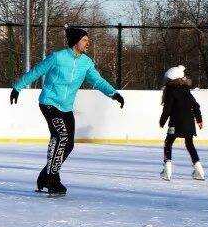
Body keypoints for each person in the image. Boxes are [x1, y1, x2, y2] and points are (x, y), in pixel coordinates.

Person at [10, 27, 125, 195]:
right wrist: (17, 87)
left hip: (66, 107)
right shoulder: (57, 57)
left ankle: (45, 175)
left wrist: (113, 93)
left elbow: (98, 81)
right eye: (85, 40)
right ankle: (52, 178)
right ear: (76, 41)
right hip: (49, 103)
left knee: (68, 144)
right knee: (60, 136)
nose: (88, 43)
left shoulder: (86, 63)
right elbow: (37, 71)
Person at [159, 65, 205, 181]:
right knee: (189, 144)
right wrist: (199, 120)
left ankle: (167, 169)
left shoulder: (170, 91)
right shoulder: (186, 91)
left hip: (175, 123)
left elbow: (167, 109)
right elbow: (195, 106)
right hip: (189, 124)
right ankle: (199, 170)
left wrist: (162, 121)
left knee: (168, 142)